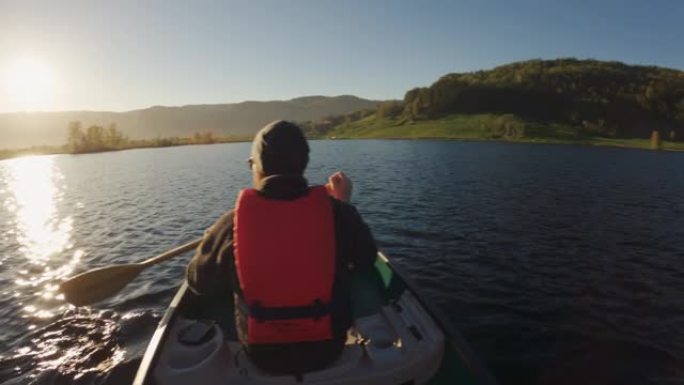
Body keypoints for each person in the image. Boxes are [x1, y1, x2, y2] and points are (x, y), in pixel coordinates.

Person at [186, 120, 378, 375]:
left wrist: (211, 240)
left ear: (256, 167)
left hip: (262, 356)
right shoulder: (339, 214)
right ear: (303, 164)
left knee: (221, 292)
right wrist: (343, 204)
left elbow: (198, 283)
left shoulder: (230, 224)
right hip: (328, 349)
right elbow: (366, 259)